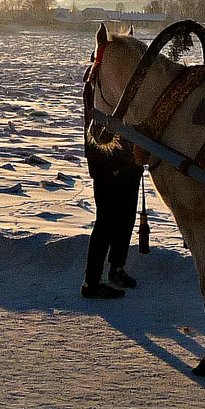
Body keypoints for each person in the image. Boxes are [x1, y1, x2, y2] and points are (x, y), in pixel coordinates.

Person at [81, 77, 142, 299]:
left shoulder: (123, 77)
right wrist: (107, 164)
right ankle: (91, 281)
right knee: (106, 221)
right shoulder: (97, 79)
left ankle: (117, 268)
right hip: (106, 162)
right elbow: (96, 127)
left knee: (126, 218)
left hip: (128, 162)